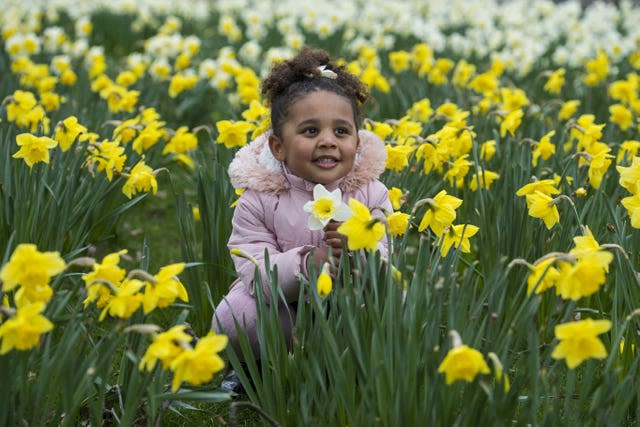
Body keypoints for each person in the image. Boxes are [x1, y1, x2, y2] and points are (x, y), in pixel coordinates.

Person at [212, 46, 392, 393]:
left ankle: (351, 371)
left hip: (350, 305)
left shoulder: (371, 194)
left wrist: (356, 256)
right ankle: (256, 369)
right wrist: (308, 264)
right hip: (282, 310)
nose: (328, 141)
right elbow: (252, 270)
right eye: (310, 132)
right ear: (278, 147)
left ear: (357, 141)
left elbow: (383, 260)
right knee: (235, 317)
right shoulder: (258, 199)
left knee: (395, 306)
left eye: (341, 132)